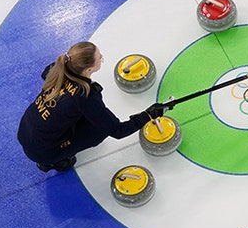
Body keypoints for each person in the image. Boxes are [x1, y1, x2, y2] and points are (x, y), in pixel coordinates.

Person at [16, 41, 166, 172]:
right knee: (98, 130)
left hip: (25, 130)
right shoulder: (84, 95)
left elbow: (45, 74)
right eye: (100, 58)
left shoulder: (58, 68)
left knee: (70, 115)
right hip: (42, 151)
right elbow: (117, 130)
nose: (101, 59)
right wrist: (148, 115)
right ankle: (53, 162)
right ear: (89, 69)